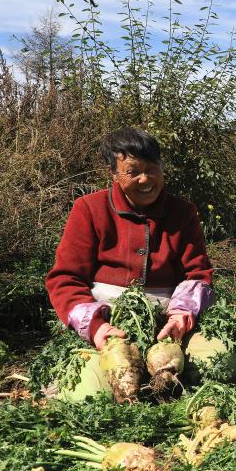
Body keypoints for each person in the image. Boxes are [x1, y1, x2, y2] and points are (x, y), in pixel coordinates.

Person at [45, 128, 216, 398]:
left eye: (152, 169)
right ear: (113, 173)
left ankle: (162, 377)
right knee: (92, 392)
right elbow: (65, 279)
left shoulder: (183, 212)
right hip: (109, 328)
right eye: (133, 171)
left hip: (168, 327)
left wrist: (180, 317)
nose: (145, 179)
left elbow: (197, 274)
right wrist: (97, 328)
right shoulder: (89, 209)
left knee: (219, 360)